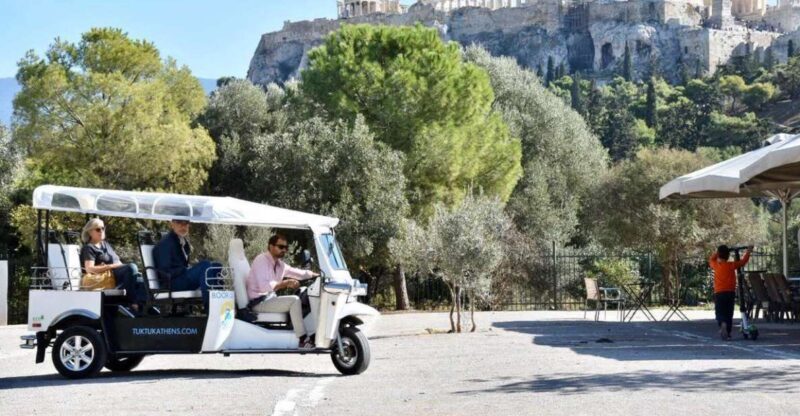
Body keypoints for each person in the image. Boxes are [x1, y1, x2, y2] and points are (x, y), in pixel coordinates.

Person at [246, 234, 319, 349]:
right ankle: (303, 340)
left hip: (269, 299)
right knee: (294, 300)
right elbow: (264, 287)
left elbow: (298, 273)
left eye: (286, 247)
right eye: (281, 247)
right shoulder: (261, 260)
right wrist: (285, 283)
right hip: (258, 302)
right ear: (271, 246)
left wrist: (317, 275)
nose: (284, 250)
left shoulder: (280, 264)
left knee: (299, 295)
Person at [80, 218, 146, 312]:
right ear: (90, 232)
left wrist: (118, 265)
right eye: (98, 229)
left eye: (103, 228)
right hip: (107, 278)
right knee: (132, 267)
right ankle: (130, 302)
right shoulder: (89, 248)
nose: (101, 231)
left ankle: (144, 309)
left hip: (117, 274)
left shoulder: (105, 244)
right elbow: (89, 269)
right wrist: (111, 266)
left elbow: (118, 262)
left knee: (142, 280)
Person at [153, 219, 222, 302]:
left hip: (181, 278)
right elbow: (164, 272)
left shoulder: (183, 242)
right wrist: (185, 269)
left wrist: (187, 269)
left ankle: (219, 304)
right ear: (172, 224)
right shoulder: (166, 243)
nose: (183, 226)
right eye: (179, 222)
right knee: (205, 265)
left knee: (216, 266)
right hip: (171, 284)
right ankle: (210, 307)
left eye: (186, 223)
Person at [709, 244, 751, 340]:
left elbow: (711, 259)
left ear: (719, 255)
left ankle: (722, 323)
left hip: (719, 292)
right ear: (728, 256)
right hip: (730, 292)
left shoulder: (715, 265)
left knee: (720, 311)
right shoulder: (731, 265)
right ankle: (727, 333)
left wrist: (717, 253)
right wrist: (748, 251)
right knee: (729, 313)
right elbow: (743, 262)